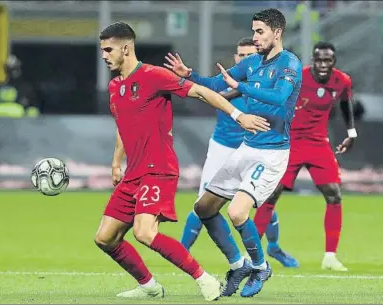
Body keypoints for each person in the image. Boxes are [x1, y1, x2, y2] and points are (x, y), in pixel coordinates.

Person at [94, 22, 270, 301]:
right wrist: (117, 162)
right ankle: (149, 286)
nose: (104, 55)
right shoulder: (116, 86)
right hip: (134, 173)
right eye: (102, 49)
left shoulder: (154, 76)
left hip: (158, 169)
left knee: (144, 232)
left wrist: (239, 116)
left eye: (108, 49)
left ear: (125, 48)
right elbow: (122, 126)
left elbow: (201, 92)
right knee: (104, 237)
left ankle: (203, 278)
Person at [165, 8, 302, 297]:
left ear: (277, 33)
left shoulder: (290, 63)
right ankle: (238, 264)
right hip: (247, 147)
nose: (255, 37)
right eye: (254, 31)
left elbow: (279, 97)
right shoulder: (252, 62)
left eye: (260, 31)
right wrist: (190, 75)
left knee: (237, 212)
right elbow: (217, 84)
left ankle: (260, 266)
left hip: (272, 153)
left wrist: (241, 86)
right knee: (203, 207)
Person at [180, 37, 299, 269]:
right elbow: (209, 92)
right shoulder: (228, 85)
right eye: (240, 55)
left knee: (258, 203)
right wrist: (189, 75)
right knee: (203, 202)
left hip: (256, 150)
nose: (244, 59)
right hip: (223, 147)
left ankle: (272, 248)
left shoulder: (263, 84)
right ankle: (182, 251)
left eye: (249, 55)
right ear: (236, 58)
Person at [253, 41, 356, 272]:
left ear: (334, 62)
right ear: (313, 59)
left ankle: (330, 256)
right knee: (271, 195)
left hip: (319, 143)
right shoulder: (298, 77)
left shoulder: (342, 81)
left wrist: (351, 133)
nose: (322, 64)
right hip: (290, 143)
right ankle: (252, 255)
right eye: (318, 60)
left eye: (327, 60)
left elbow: (345, 103)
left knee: (334, 194)